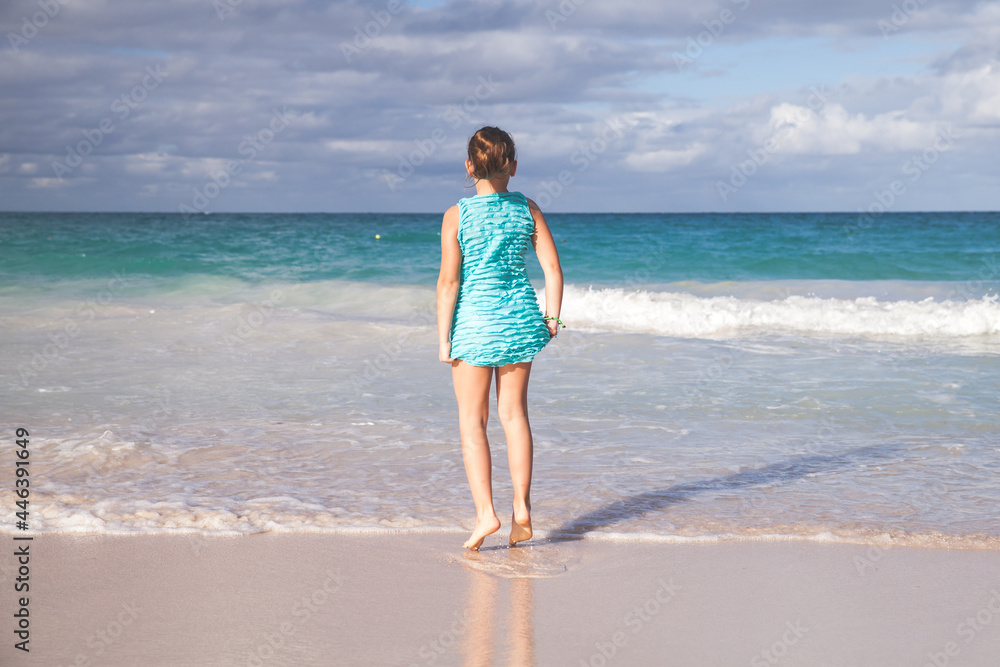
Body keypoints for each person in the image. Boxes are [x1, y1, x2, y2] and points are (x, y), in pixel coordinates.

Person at [437, 126, 564, 551]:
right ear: (512, 166)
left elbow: (449, 283)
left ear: (469, 166)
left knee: (473, 424)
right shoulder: (527, 209)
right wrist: (552, 320)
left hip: (473, 327)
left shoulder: (457, 215)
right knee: (514, 417)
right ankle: (522, 509)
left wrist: (443, 340)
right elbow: (552, 269)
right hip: (518, 322)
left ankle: (485, 514)